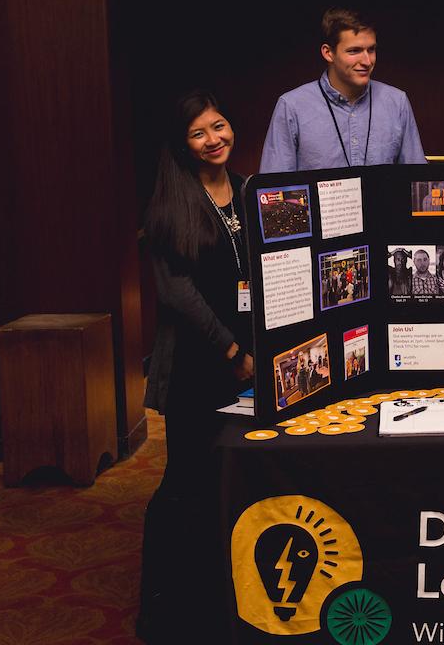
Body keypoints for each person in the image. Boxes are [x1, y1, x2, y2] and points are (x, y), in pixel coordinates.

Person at [138, 90, 254, 640]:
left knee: (229, 480)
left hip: (248, 363)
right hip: (197, 365)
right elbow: (178, 295)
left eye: (219, 125)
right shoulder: (170, 204)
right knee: (185, 482)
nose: (214, 139)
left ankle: (217, 603)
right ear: (182, 144)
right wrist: (231, 350)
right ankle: (163, 610)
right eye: (199, 132)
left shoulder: (250, 192)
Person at [260, 8, 427, 171]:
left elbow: (417, 181)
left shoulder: (397, 102)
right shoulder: (292, 107)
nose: (367, 61)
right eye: (354, 51)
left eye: (371, 50)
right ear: (328, 53)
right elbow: (274, 186)